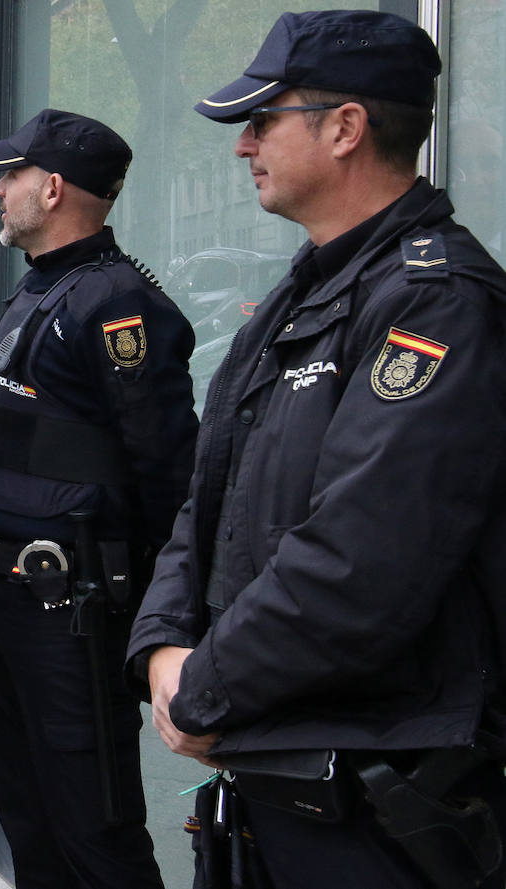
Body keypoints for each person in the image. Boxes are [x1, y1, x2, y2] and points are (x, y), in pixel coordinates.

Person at [128, 11, 506, 889]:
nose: (242, 145)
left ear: (345, 127)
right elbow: (206, 499)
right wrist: (161, 648)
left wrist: (206, 687)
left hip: (381, 791)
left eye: (263, 120)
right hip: (277, 765)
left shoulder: (437, 302)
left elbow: (366, 558)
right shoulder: (307, 291)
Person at [0, 109, 196, 888]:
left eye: (12, 174)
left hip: (74, 611)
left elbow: (166, 473)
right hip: (8, 597)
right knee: (29, 816)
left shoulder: (116, 304)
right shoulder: (40, 290)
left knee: (94, 827)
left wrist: (165, 617)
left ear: (53, 187)